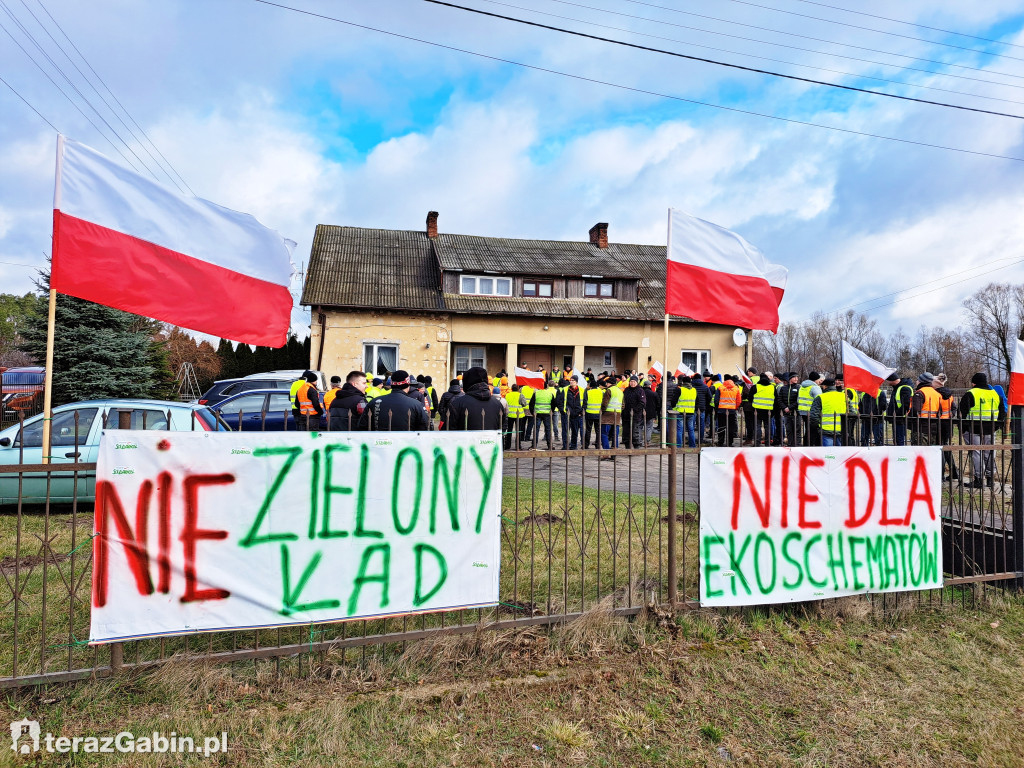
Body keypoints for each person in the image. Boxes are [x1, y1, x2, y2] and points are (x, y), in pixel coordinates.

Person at [958, 372, 1004, 489]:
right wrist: (996, 427)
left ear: (973, 383)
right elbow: (1002, 413)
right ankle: (990, 479)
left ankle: (979, 479)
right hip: (991, 429)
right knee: (990, 452)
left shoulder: (970, 394)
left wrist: (962, 429)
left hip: (973, 429)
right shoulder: (995, 394)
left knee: (976, 453)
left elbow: (962, 413)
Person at [356, 370, 430, 431]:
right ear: (408, 385)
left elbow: (362, 427)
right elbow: (424, 428)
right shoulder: (416, 404)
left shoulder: (374, 402)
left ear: (391, 384)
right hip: (407, 446)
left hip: (380, 445)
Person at [447, 367, 506, 432]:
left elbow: (448, 431)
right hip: (490, 441)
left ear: (466, 382)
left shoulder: (457, 404)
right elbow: (502, 428)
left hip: (466, 441)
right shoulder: (497, 404)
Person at [934, 373, 959, 481]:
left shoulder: (935, 395)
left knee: (939, 448)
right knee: (946, 447)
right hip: (947, 423)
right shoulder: (950, 395)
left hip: (937, 423)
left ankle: (941, 474)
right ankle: (953, 472)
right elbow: (954, 409)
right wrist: (950, 415)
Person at [810, 378, 846, 446]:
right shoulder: (844, 396)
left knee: (828, 455)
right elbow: (852, 412)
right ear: (834, 386)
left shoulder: (820, 397)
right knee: (840, 454)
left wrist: (817, 427)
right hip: (841, 430)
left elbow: (813, 416)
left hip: (826, 431)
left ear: (825, 386)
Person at [911, 372, 940, 446]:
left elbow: (915, 410)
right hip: (933, 426)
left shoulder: (920, 393)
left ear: (921, 381)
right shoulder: (936, 393)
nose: (916, 381)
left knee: (919, 452)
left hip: (921, 427)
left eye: (918, 380)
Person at [886, 372, 915, 446]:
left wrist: (896, 414)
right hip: (897, 419)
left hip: (900, 419)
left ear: (892, 380)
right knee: (897, 439)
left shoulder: (904, 388)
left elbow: (906, 405)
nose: (887, 382)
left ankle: (901, 456)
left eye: (888, 380)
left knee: (900, 440)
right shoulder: (897, 388)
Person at [715, 375, 742, 446]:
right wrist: (735, 407)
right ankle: (730, 442)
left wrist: (717, 408)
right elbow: (739, 400)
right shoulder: (736, 388)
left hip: (721, 410)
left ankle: (720, 442)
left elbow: (716, 400)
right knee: (731, 427)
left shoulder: (720, 388)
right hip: (732, 410)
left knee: (721, 426)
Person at [797, 372, 822, 447]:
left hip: (802, 411)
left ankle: (806, 445)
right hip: (812, 412)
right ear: (816, 380)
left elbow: (798, 399)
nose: (819, 381)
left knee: (808, 430)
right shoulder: (815, 387)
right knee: (813, 430)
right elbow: (820, 399)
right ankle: (811, 446)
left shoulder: (802, 386)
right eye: (818, 379)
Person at [622, 375, 647, 448]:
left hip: (636, 415)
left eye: (634, 382)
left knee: (635, 432)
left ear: (637, 382)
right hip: (626, 414)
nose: (632, 383)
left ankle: (636, 446)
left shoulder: (640, 390)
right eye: (631, 382)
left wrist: (635, 410)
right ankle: (627, 446)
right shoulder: (626, 390)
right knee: (626, 431)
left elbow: (642, 403)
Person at [751, 373, 776, 446]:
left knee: (757, 426)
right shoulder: (772, 387)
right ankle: (767, 443)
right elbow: (776, 399)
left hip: (757, 410)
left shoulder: (755, 387)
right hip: (768, 410)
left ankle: (757, 443)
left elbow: (750, 398)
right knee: (768, 427)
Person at [531, 380, 557, 449]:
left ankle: (534, 445)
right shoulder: (550, 393)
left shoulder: (536, 393)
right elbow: (554, 404)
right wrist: (552, 411)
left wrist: (532, 413)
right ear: (547, 386)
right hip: (547, 414)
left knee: (536, 430)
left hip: (538, 414)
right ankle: (549, 445)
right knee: (548, 430)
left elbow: (531, 404)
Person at [673, 375, 698, 447]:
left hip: (680, 411)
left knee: (679, 430)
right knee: (691, 430)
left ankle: (679, 446)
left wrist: (674, 408)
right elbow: (697, 401)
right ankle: (692, 445)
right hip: (691, 412)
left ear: (683, 382)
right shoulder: (694, 390)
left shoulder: (680, 389)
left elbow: (674, 400)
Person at [778, 372, 800, 447]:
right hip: (786, 413)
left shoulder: (799, 388)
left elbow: (798, 400)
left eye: (797, 377)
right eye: (794, 377)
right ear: (790, 378)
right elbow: (779, 399)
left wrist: (790, 408)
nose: (796, 379)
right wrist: (784, 408)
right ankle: (790, 444)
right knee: (789, 430)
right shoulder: (783, 388)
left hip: (796, 413)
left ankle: (797, 445)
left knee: (797, 431)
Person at [563, 377, 584, 449]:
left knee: (575, 431)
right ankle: (565, 445)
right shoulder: (565, 389)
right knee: (566, 431)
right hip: (568, 413)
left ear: (576, 382)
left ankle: (573, 445)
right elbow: (560, 401)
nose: (571, 382)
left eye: (573, 380)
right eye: (570, 380)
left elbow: (585, 402)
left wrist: (581, 412)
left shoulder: (582, 390)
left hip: (577, 413)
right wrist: (564, 410)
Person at [602, 377, 623, 450]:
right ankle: (614, 451)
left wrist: (602, 411)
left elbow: (605, 403)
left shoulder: (609, 390)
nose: (606, 384)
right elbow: (623, 405)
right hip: (617, 414)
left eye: (607, 383)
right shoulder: (620, 391)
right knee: (615, 435)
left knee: (604, 434)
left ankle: (606, 451)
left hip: (607, 415)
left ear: (609, 383)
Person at [583, 378, 604, 449]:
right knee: (598, 430)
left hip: (589, 413)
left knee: (588, 430)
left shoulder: (588, 392)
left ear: (591, 386)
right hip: (598, 414)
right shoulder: (601, 392)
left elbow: (585, 402)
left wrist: (584, 411)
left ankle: (586, 445)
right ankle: (598, 444)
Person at [741, 367, 757, 445]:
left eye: (749, 371)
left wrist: (742, 395)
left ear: (753, 373)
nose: (748, 372)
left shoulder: (750, 381)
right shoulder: (759, 379)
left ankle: (749, 439)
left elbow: (746, 392)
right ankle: (755, 438)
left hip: (748, 404)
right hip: (757, 404)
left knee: (749, 423)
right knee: (755, 422)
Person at [643, 379, 660, 445]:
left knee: (640, 427)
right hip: (651, 412)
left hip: (641, 412)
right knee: (649, 427)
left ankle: (639, 441)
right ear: (650, 386)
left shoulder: (641, 392)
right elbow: (658, 403)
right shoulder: (654, 393)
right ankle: (647, 441)